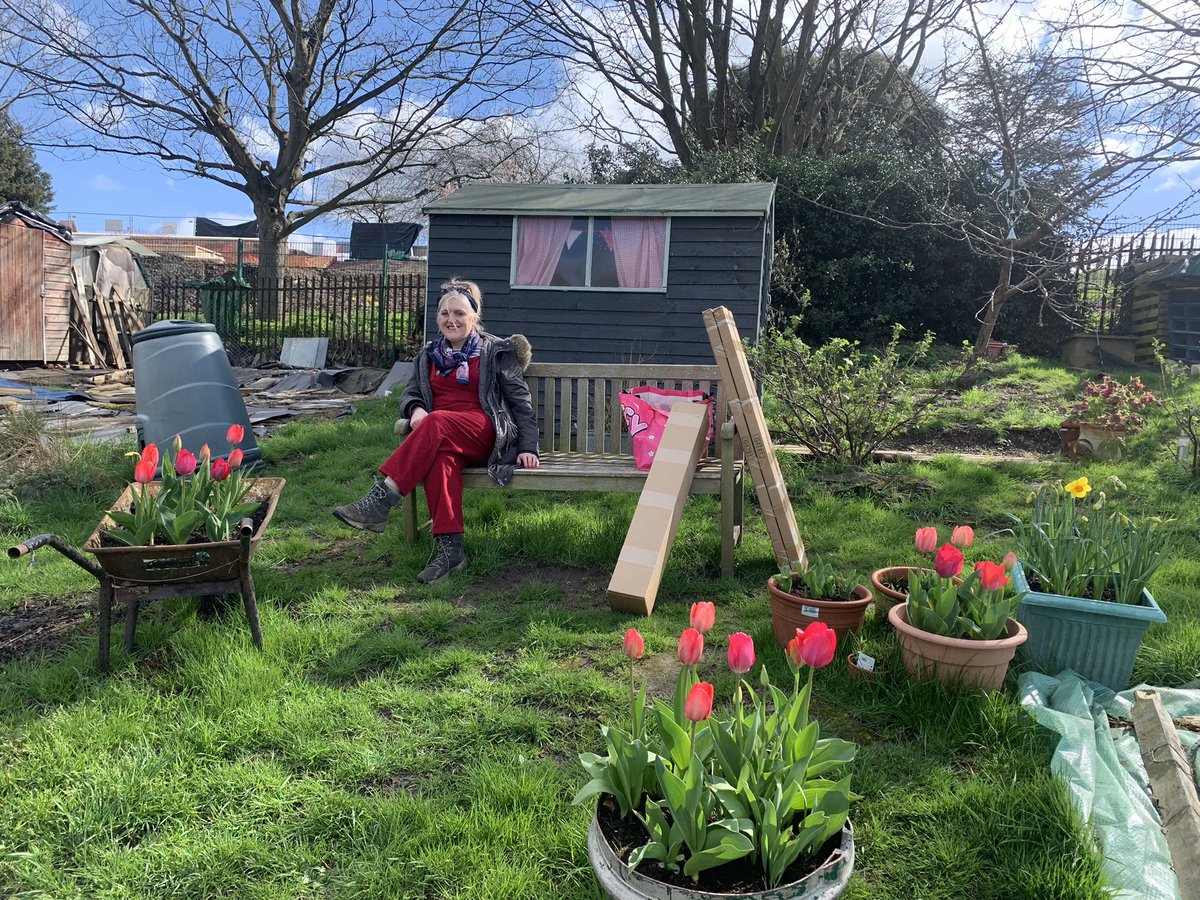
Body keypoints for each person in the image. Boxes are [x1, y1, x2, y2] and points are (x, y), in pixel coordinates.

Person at [333, 278, 540, 583]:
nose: (451, 320)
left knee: (437, 421)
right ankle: (451, 552)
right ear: (437, 317)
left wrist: (528, 447)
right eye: (445, 313)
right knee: (440, 461)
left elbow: (520, 401)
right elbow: (411, 393)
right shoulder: (429, 354)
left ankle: (382, 499)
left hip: (484, 431)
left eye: (459, 313)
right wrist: (415, 409)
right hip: (440, 435)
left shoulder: (496, 350)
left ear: (474, 317)